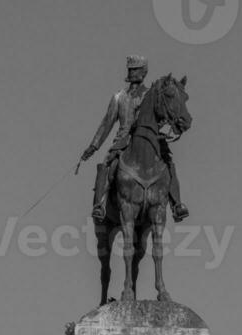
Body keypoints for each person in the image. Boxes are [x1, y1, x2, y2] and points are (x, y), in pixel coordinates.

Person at [81, 56, 189, 223]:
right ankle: (100, 204)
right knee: (108, 163)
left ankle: (177, 204)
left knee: (168, 163)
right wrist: (93, 146)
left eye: (136, 70)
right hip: (123, 139)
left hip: (150, 138)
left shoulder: (151, 93)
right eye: (130, 70)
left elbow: (160, 114)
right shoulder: (119, 97)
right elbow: (106, 123)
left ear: (143, 72)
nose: (132, 73)